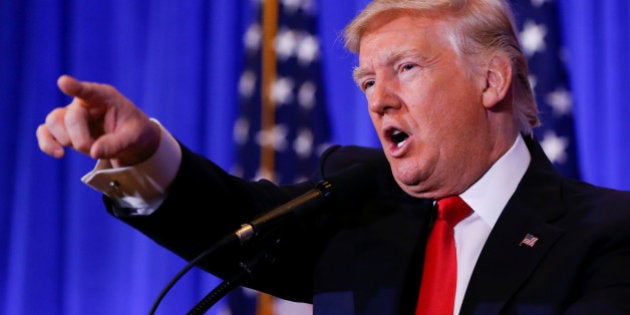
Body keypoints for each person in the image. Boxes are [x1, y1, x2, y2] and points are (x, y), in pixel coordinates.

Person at [36, 0, 630, 314]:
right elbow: (235, 221)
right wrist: (144, 153)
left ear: (492, 81)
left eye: (406, 69)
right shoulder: (359, 201)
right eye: (367, 81)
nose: (380, 100)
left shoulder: (606, 235)